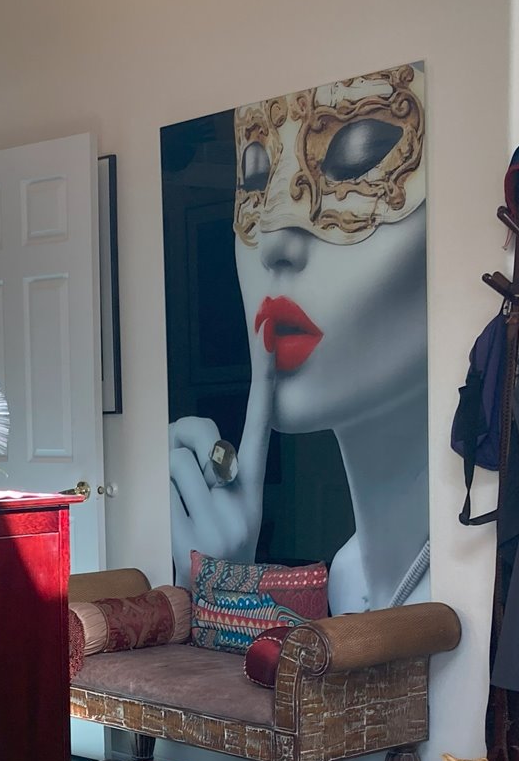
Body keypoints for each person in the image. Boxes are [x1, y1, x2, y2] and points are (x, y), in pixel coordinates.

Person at [168, 65, 431, 615]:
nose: (273, 244)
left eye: (358, 155)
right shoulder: (346, 578)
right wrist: (225, 575)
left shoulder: (499, 584)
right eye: (255, 177)